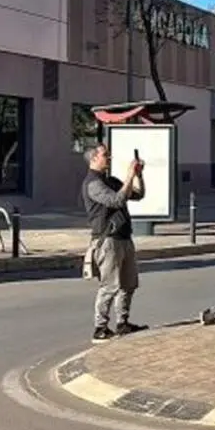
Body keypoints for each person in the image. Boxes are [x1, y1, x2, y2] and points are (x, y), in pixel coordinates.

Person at [81, 143, 148, 343]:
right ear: (94, 159)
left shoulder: (110, 180)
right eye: (104, 155)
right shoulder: (93, 184)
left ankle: (122, 323)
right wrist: (129, 174)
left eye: (108, 155)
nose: (108, 158)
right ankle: (100, 328)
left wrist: (138, 175)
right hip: (107, 240)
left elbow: (137, 194)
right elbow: (117, 201)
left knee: (128, 284)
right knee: (109, 286)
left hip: (124, 237)